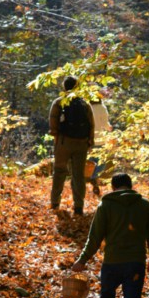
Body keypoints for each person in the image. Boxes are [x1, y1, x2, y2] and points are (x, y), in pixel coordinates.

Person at [48, 76, 95, 215]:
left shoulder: (58, 102)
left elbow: (53, 122)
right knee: (78, 175)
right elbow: (91, 124)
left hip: (63, 142)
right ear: (77, 87)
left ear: (64, 87)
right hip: (81, 143)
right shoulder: (84, 104)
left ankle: (55, 202)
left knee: (59, 172)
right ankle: (79, 206)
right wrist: (89, 141)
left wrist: (57, 137)